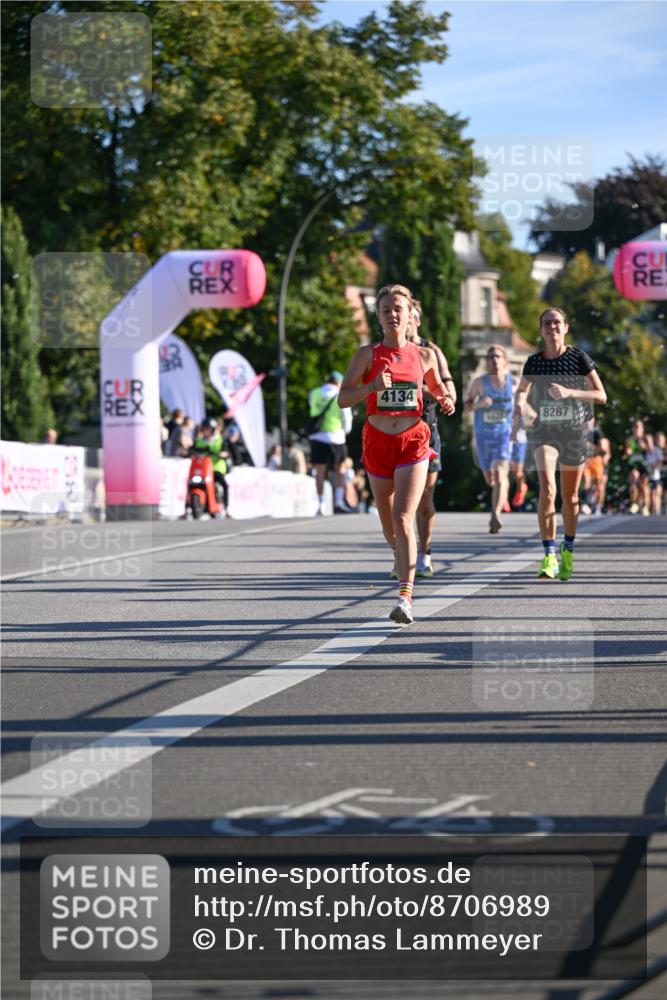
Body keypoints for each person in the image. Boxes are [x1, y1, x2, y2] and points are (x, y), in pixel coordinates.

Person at [338, 284, 455, 624]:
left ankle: (405, 597)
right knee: (390, 527)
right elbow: (343, 398)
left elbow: (437, 388)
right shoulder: (367, 355)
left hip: (413, 441)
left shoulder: (425, 355)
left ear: (409, 316)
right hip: (376, 442)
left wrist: (444, 399)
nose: (393, 315)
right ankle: (402, 555)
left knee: (405, 518)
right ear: (379, 316)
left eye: (398, 309)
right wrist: (370, 387)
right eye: (386, 309)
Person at [512, 307, 607, 580]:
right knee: (548, 489)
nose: (551, 327)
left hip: (574, 432)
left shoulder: (578, 357)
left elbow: (601, 395)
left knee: (571, 497)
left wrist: (570, 392)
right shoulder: (534, 362)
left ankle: (568, 548)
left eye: (556, 323)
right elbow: (521, 392)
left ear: (565, 327)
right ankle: (549, 556)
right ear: (541, 329)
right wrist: (522, 409)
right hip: (544, 433)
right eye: (546, 323)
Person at [405, 300, 457, 576]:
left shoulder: (430, 351)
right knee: (398, 501)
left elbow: (450, 391)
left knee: (424, 497)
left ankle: (424, 554)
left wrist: (437, 395)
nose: (405, 321)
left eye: (410, 316)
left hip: (426, 429)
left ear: (416, 320)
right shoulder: (385, 352)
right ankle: (403, 555)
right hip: (394, 430)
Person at [465, 344, 519, 534]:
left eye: (497, 356)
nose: (494, 360)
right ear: (487, 362)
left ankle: (495, 514)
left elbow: (522, 406)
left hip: (504, 436)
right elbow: (467, 406)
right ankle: (499, 498)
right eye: (490, 357)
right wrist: (479, 404)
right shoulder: (480, 383)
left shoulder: (514, 383)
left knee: (500, 474)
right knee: (490, 478)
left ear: (505, 360)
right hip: (483, 437)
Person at [308, 371, 354, 515]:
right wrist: (346, 430)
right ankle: (338, 501)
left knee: (319, 471)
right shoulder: (340, 394)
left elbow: (312, 406)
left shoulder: (314, 393)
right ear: (338, 382)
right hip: (335, 436)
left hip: (317, 435)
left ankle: (320, 503)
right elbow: (346, 417)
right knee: (340, 469)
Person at [193, 417, 230, 512]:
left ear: (213, 429)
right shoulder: (199, 440)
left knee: (223, 483)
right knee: (191, 482)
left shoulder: (220, 440)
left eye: (208, 429)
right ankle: (189, 506)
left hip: (216, 467)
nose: (206, 431)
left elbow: (226, 451)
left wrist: (222, 454)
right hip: (203, 468)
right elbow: (193, 450)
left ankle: (226, 506)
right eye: (204, 429)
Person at [624, 419, 649, 515]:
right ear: (632, 429)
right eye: (635, 427)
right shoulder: (629, 439)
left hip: (643, 465)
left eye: (638, 427)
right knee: (633, 481)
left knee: (644, 487)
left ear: (642, 428)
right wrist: (628, 451)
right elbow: (627, 452)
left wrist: (643, 445)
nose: (636, 429)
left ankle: (644, 506)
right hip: (633, 464)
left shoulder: (646, 438)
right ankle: (634, 504)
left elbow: (650, 450)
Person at [644, 433, 663, 515]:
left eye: (649, 441)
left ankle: (657, 511)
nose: (647, 443)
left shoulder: (657, 451)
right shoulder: (644, 453)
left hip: (656, 475)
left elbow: (660, 463)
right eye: (646, 441)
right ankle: (648, 509)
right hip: (647, 476)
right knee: (649, 493)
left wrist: (654, 465)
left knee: (656, 494)